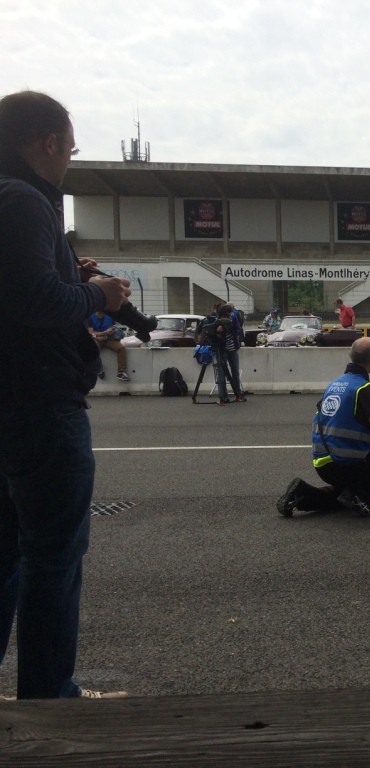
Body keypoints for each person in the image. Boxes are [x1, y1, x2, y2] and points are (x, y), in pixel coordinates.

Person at [0, 90, 132, 699]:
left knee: (7, 554)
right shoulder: (25, 200)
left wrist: (65, 275)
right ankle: (50, 699)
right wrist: (97, 297)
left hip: (9, 400)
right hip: (40, 402)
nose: (69, 162)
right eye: (71, 149)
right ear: (49, 142)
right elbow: (33, 301)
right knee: (53, 556)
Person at [277, 337, 370, 518]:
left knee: (340, 499)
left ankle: (301, 494)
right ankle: (360, 496)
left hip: (323, 463)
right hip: (346, 463)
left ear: (351, 357)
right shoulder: (365, 389)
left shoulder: (334, 384)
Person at [211, 302, 245, 404]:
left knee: (228, 372)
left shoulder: (227, 320)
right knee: (227, 372)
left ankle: (229, 396)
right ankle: (230, 395)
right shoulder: (220, 320)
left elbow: (238, 330)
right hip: (226, 349)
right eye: (229, 313)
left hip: (227, 349)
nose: (230, 315)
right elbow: (238, 330)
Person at [87, 309, 130, 381]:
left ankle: (121, 372)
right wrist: (102, 334)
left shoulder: (109, 316)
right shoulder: (91, 317)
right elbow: (91, 333)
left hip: (108, 339)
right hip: (96, 339)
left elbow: (111, 330)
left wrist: (104, 336)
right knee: (94, 348)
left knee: (121, 348)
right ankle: (99, 368)